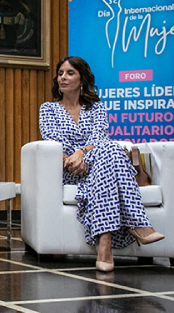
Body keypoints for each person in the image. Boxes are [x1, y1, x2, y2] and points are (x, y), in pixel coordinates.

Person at [39, 56, 164, 272]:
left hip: (96, 166)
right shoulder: (48, 109)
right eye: (60, 73)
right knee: (112, 152)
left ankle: (104, 243)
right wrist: (76, 158)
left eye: (70, 73)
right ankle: (137, 224)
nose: (63, 78)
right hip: (69, 170)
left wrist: (81, 153)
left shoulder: (96, 108)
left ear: (82, 79)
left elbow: (99, 139)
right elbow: (55, 142)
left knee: (109, 150)